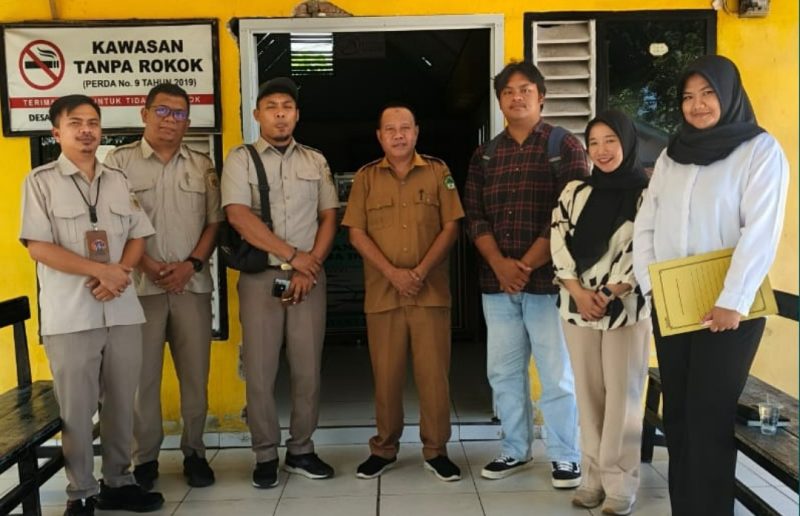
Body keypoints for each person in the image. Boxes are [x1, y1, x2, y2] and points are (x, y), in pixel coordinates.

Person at [633, 55, 789, 516]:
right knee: (680, 417)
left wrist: (732, 301)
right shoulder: (672, 154)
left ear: (729, 95)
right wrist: (651, 288)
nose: (697, 105)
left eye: (707, 94)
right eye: (688, 96)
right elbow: (647, 223)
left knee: (708, 418)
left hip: (728, 312)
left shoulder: (759, 150)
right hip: (675, 306)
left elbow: (760, 231)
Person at [19, 95, 164, 515]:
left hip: (121, 310)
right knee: (77, 410)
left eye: (93, 123)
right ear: (56, 132)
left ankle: (118, 482)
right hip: (71, 315)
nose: (86, 130)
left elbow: (138, 234)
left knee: (121, 404)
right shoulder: (40, 182)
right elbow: (38, 246)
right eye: (76, 123)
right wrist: (100, 271)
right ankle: (80, 492)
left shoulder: (117, 179)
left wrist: (120, 271)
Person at [463, 61, 588, 487]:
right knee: (503, 373)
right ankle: (514, 450)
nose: (516, 97)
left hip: (548, 284)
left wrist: (526, 264)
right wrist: (500, 265)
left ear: (541, 96)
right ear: (499, 100)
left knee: (556, 374)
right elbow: (474, 216)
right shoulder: (485, 155)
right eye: (508, 91)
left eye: (525, 90)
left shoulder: (563, 145)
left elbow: (569, 213)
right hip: (496, 286)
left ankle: (566, 456)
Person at [221, 77, 339, 488]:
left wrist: (309, 266)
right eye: (271, 107)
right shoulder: (241, 159)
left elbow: (329, 216)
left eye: (287, 106)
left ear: (297, 114)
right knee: (260, 370)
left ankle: (301, 449)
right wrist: (293, 256)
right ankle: (265, 454)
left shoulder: (315, 160)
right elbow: (238, 215)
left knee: (308, 369)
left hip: (309, 278)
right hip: (262, 278)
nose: (280, 114)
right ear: (257, 114)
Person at [105, 84, 222, 490]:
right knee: (142, 380)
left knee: (195, 376)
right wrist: (149, 265)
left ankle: (195, 453)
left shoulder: (202, 165)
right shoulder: (119, 163)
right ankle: (145, 459)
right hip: (140, 289)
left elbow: (214, 223)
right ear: (144, 114)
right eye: (162, 111)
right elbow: (115, 224)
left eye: (179, 114)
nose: (170, 120)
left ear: (188, 121)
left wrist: (191, 265)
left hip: (192, 285)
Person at [342, 103, 465, 482]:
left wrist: (420, 272)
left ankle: (436, 450)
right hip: (384, 294)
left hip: (430, 293)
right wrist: (393, 273)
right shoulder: (366, 178)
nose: (398, 135)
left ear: (416, 132)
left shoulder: (438, 172)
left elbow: (451, 227)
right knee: (386, 376)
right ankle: (384, 448)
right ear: (379, 136)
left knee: (434, 377)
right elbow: (356, 233)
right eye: (390, 129)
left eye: (405, 128)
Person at [551, 110, 651, 515]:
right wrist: (578, 291)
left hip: (625, 309)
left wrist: (609, 292)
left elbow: (645, 248)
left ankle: (620, 482)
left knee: (623, 396)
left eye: (611, 140)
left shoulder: (647, 194)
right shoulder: (575, 191)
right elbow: (558, 239)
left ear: (627, 143)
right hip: (577, 309)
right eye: (593, 142)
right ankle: (592, 478)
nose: (602, 150)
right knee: (589, 394)